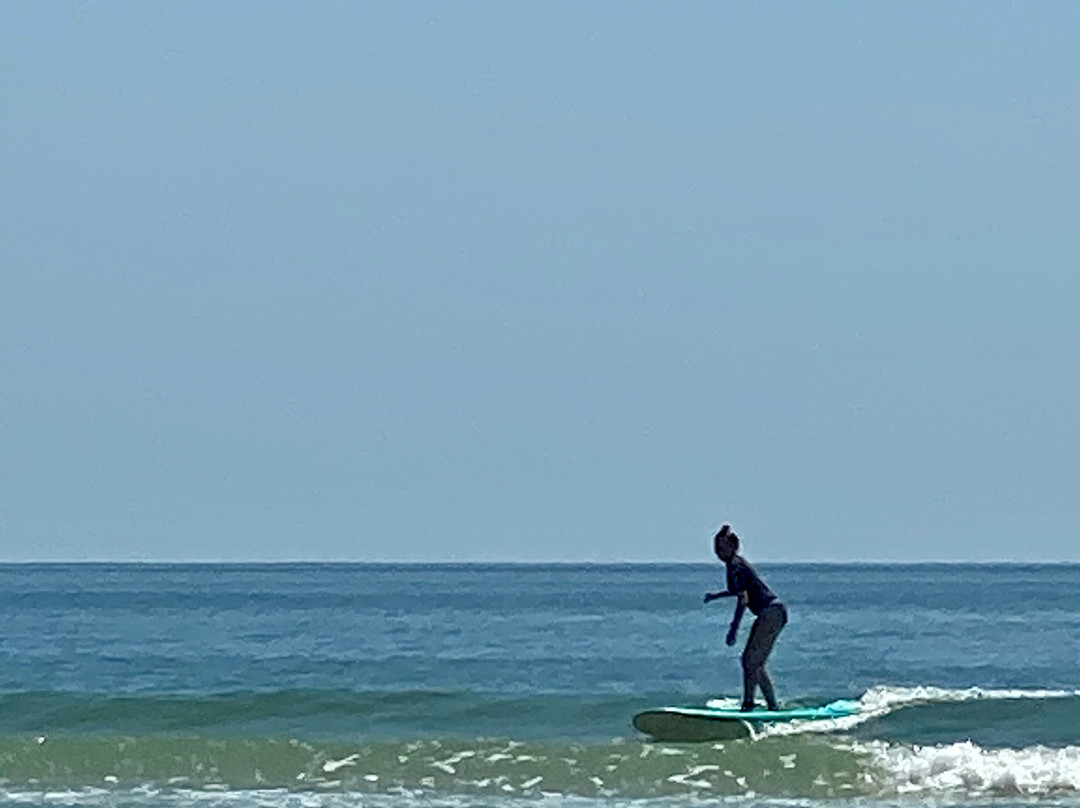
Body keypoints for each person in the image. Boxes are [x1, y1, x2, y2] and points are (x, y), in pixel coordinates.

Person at [703, 524, 787, 711]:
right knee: (753, 662)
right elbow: (738, 590)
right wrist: (716, 596)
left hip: (771, 612)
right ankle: (767, 706)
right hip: (772, 612)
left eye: (722, 547)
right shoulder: (733, 565)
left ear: (734, 547)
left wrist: (734, 628)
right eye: (716, 548)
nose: (719, 552)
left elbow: (743, 598)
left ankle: (753, 704)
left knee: (751, 661)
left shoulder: (735, 565)